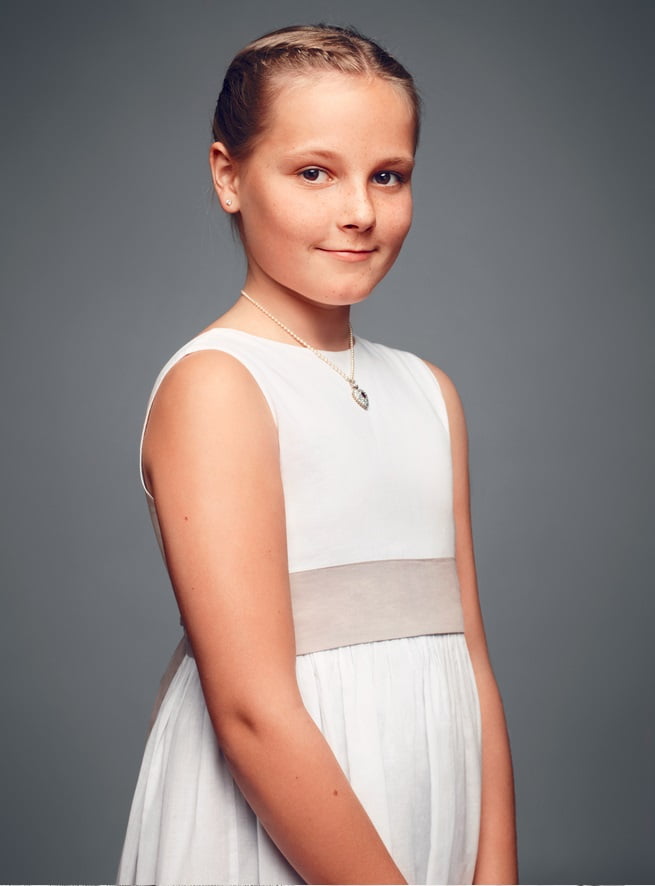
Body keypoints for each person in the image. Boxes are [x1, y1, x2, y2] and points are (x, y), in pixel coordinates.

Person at [116, 23, 517, 886]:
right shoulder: (220, 385)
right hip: (289, 829)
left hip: (429, 811)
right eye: (313, 172)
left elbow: (472, 664)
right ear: (229, 175)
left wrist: (494, 870)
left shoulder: (429, 392)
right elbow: (251, 713)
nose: (359, 211)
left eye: (387, 175)